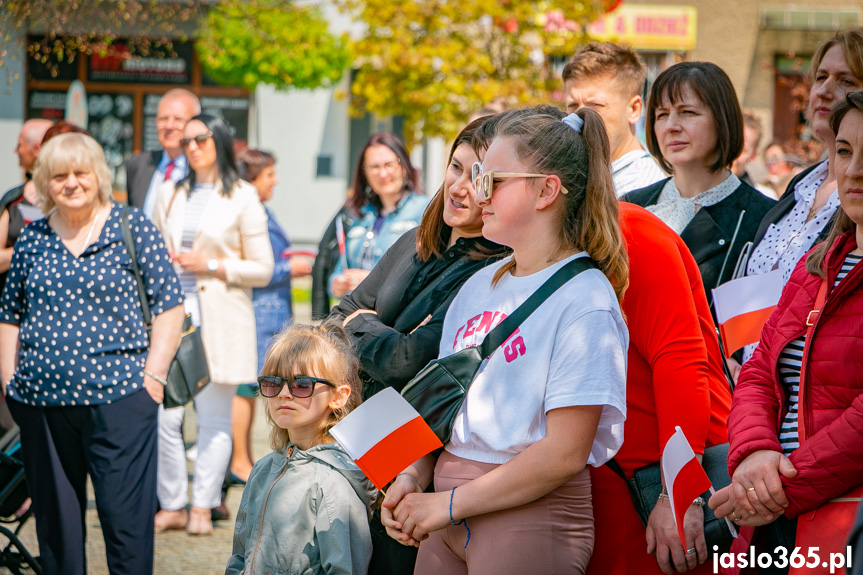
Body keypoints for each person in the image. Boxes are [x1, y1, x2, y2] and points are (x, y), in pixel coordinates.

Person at [383, 106, 629, 574]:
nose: (478, 194)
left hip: (527, 515)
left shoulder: (585, 299)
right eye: (477, 176)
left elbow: (564, 452)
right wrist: (411, 474)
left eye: (492, 180)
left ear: (546, 190)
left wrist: (448, 504)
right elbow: (444, 405)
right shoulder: (480, 284)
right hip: (447, 507)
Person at [329, 117, 509, 575]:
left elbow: (406, 360)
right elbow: (336, 313)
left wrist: (361, 322)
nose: (460, 186)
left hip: (416, 451)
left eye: (478, 176)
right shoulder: (414, 242)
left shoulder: (490, 271)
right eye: (455, 167)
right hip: (358, 432)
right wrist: (366, 324)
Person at [0, 132, 185, 575]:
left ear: (98, 176)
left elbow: (170, 306)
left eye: (80, 173)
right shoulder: (32, 238)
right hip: (41, 405)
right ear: (45, 182)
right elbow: (9, 314)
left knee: (125, 526)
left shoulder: (132, 226)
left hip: (121, 399)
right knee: (56, 528)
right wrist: (9, 382)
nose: (71, 183)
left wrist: (153, 379)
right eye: (59, 175)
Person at [708, 91, 863, 574]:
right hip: (776, 509)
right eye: (844, 150)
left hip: (843, 517)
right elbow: (758, 370)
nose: (855, 169)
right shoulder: (819, 265)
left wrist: (777, 487)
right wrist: (755, 453)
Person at [151, 113, 274, 536]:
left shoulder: (242, 196)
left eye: (200, 138)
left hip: (220, 317)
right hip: (171, 315)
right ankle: (172, 502)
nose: (192, 146)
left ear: (219, 140)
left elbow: (263, 267)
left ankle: (203, 505)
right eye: (185, 140)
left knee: (214, 417)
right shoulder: (168, 192)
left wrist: (213, 264)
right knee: (164, 417)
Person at [737, 29, 863, 366]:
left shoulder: (857, 197)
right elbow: (760, 283)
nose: (824, 90)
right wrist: (735, 355)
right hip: (751, 389)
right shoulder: (800, 185)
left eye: (845, 80)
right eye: (820, 77)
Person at [225, 323, 377, 575]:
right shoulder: (263, 469)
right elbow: (240, 555)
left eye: (302, 384)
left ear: (338, 397)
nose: (284, 394)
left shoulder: (334, 483)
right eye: (273, 383)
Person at [623, 61, 775, 309]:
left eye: (687, 112)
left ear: (722, 119)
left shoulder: (764, 220)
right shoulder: (631, 205)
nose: (671, 126)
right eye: (662, 114)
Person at [229, 148, 311, 485]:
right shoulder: (248, 213)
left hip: (270, 313)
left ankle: (246, 458)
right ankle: (239, 460)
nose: (275, 181)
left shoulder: (262, 210)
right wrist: (289, 267)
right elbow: (252, 267)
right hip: (258, 313)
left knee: (257, 387)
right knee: (247, 388)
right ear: (252, 179)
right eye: (269, 175)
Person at [327, 133, 428, 299]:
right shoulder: (360, 214)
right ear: (364, 174)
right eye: (374, 167)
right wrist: (336, 284)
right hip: (356, 316)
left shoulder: (424, 210)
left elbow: (426, 273)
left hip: (395, 319)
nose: (382, 173)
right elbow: (340, 268)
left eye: (389, 164)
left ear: (404, 166)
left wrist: (371, 281)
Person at [562, 42, 666, 196]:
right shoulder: (579, 175)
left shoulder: (644, 194)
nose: (580, 117)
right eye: (572, 105)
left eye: (595, 105)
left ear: (634, 109)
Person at [126, 88, 201, 217]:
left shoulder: (205, 169)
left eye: (178, 119)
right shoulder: (138, 165)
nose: (169, 126)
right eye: (163, 119)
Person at [0, 119, 53, 289]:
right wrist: (27, 248)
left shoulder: (70, 204)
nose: (16, 150)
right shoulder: (14, 200)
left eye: (19, 145)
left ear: (37, 149)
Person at [732, 111, 777, 199]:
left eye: (742, 150)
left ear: (753, 156)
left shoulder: (763, 199)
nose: (732, 155)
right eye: (729, 144)